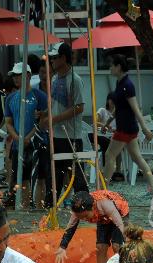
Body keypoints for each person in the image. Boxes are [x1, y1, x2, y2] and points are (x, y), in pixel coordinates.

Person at [101, 54, 153, 195]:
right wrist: (107, 122)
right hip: (127, 127)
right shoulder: (120, 83)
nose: (110, 68)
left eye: (111, 65)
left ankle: (103, 189)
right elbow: (119, 108)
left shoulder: (127, 85)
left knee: (109, 155)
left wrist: (145, 128)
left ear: (118, 67)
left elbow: (135, 108)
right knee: (137, 157)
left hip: (125, 128)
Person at [44, 42, 87, 206]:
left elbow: (79, 107)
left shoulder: (75, 79)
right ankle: (49, 208)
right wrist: (45, 114)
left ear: (63, 58)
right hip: (55, 135)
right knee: (53, 176)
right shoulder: (54, 78)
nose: (52, 61)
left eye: (54, 58)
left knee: (76, 176)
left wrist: (54, 119)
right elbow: (54, 104)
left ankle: (84, 207)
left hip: (72, 136)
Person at [3, 62, 48, 208]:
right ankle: (25, 207)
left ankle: (40, 207)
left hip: (38, 143)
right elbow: (8, 122)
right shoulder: (10, 98)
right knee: (21, 179)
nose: (16, 78)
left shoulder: (39, 96)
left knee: (40, 177)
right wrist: (17, 138)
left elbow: (44, 120)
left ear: (28, 75)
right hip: (18, 144)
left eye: (18, 75)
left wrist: (28, 137)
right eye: (14, 75)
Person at [55, 190, 129, 263]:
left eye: (85, 216)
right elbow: (70, 227)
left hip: (120, 214)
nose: (84, 219)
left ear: (93, 207)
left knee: (117, 245)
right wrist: (62, 246)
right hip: (102, 218)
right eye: (80, 218)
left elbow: (119, 225)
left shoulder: (104, 204)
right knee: (100, 247)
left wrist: (122, 241)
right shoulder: (77, 210)